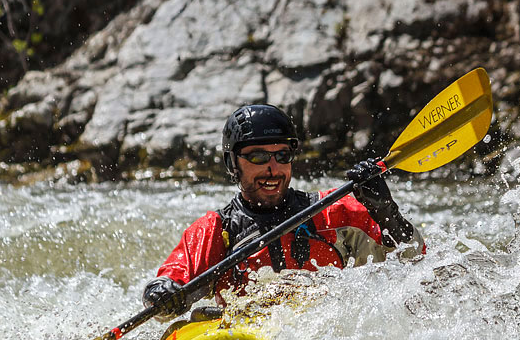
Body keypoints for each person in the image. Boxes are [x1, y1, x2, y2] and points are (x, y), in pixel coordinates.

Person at [142, 104, 424, 320]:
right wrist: (161, 293)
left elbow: (413, 263)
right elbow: (171, 282)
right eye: (258, 157)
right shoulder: (218, 229)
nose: (273, 169)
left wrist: (387, 212)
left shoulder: (333, 211)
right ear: (232, 163)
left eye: (283, 156)